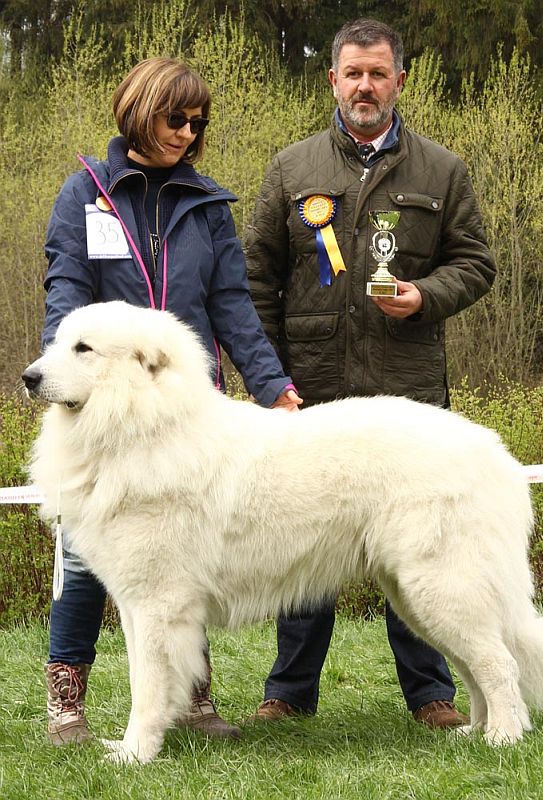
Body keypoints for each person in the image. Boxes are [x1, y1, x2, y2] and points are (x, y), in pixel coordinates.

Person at [41, 56, 301, 746]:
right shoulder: (87, 192)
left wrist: (275, 389)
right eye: (174, 117)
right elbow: (66, 286)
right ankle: (66, 698)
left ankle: (190, 700)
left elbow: (233, 307)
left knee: (179, 554)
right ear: (139, 109)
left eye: (197, 122)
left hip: (186, 412)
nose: (187, 132)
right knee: (82, 557)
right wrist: (60, 374)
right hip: (101, 404)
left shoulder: (209, 205)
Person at [244, 18, 496, 728]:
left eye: (378, 73)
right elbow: (257, 280)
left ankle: (432, 695)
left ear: (400, 81)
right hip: (310, 394)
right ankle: (289, 693)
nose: (365, 86)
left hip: (407, 392)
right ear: (332, 79)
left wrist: (426, 296)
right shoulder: (291, 170)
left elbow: (476, 263)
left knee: (419, 548)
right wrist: (270, 383)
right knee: (303, 547)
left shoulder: (442, 170)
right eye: (352, 73)